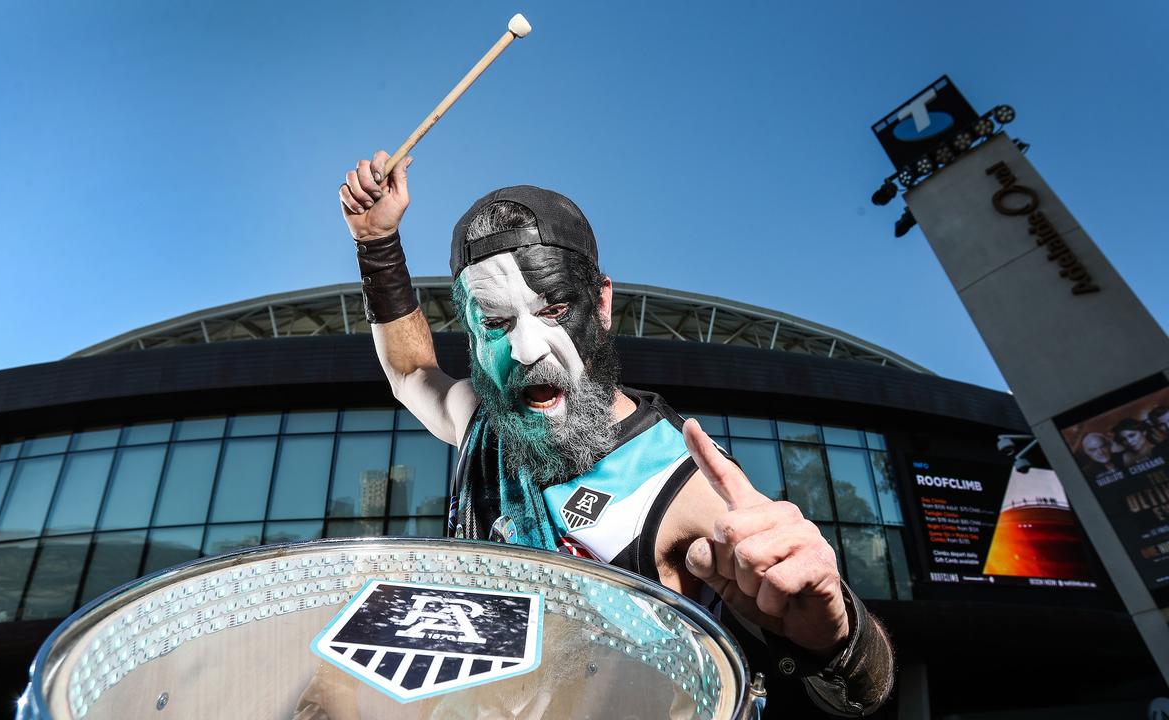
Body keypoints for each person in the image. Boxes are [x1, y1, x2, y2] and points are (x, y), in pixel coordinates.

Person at [335, 151, 894, 716]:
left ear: (601, 302)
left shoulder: (681, 483)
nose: (529, 352)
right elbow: (410, 372)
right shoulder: (485, 426)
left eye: (552, 310)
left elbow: (858, 697)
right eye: (498, 324)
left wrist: (835, 635)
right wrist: (376, 244)